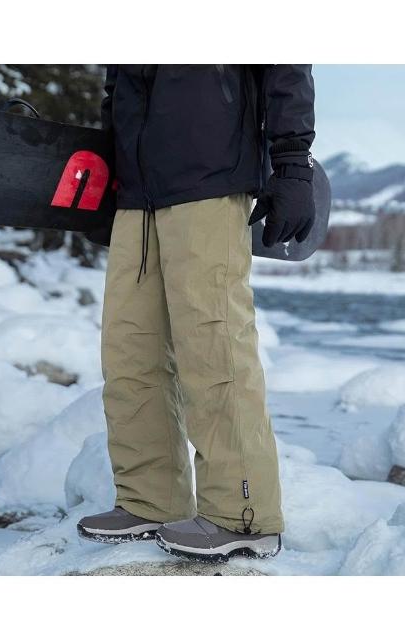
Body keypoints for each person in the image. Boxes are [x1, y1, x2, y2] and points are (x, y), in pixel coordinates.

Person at [78, 64, 315, 563]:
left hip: (210, 174)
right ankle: (150, 500)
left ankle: (243, 514)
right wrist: (110, 172)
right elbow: (117, 86)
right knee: (130, 350)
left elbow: (286, 65)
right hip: (136, 191)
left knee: (214, 346)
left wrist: (293, 165)